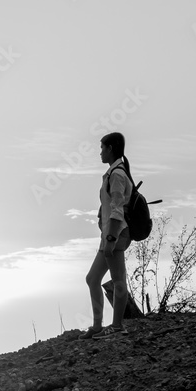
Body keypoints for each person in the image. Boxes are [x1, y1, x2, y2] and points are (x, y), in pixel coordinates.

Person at [81, 132, 133, 339]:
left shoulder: (117, 174)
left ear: (110, 148)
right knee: (92, 278)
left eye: (102, 147)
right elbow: (110, 204)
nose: (100, 152)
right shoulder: (114, 173)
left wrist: (111, 238)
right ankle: (97, 326)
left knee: (118, 280)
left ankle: (118, 326)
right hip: (109, 234)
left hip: (116, 234)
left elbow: (117, 210)